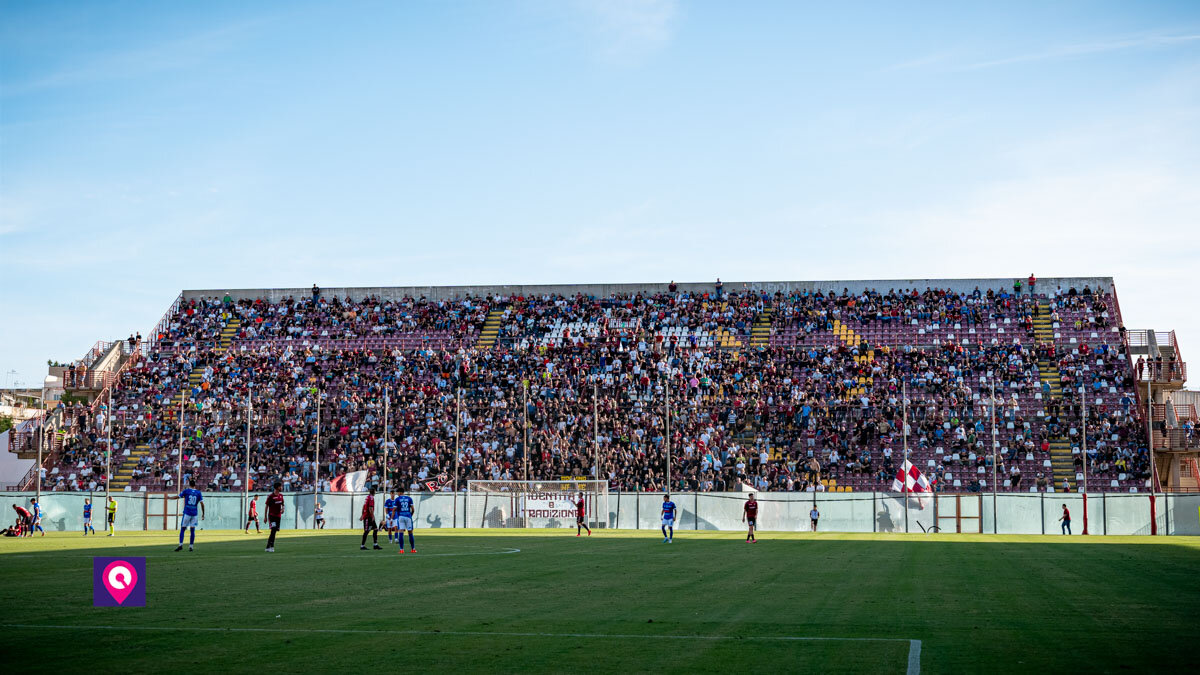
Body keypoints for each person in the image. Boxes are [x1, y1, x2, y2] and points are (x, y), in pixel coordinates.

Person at [174, 479, 205, 552]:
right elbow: (202, 504)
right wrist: (203, 514)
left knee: (183, 529)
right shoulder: (198, 492)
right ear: (195, 485)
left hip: (187, 513)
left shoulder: (186, 491)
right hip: (194, 514)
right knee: (192, 530)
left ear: (189, 485)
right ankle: (191, 547)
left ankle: (180, 545)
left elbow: (178, 497)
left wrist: (170, 498)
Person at [394, 486, 416, 554]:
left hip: (401, 516)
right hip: (408, 516)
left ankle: (401, 550)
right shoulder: (409, 498)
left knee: (401, 532)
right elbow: (413, 509)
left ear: (400, 492)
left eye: (398, 492)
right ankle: (413, 549)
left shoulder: (397, 499)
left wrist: (393, 516)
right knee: (410, 533)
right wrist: (410, 515)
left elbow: (394, 509)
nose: (397, 493)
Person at [265, 483, 284, 552]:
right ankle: (272, 546)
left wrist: (283, 509)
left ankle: (267, 546)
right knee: (273, 530)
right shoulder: (271, 496)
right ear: (277, 488)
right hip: (272, 516)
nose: (281, 488)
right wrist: (265, 517)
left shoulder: (281, 496)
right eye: (280, 486)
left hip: (278, 516)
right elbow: (266, 506)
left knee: (274, 531)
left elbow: (283, 504)